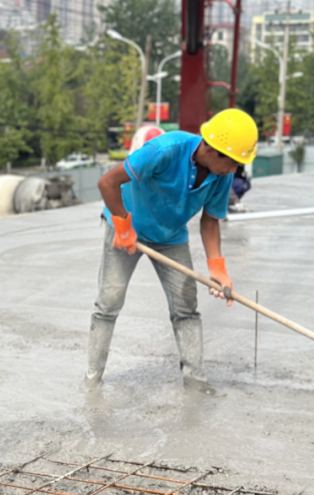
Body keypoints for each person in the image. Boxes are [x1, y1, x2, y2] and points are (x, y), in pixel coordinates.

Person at [87, 108, 258, 392]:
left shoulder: (221, 174)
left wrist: (218, 270)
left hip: (171, 236)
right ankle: (92, 381)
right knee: (108, 303)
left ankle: (196, 381)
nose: (234, 171)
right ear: (214, 151)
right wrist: (123, 225)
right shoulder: (165, 150)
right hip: (127, 226)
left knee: (186, 309)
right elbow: (107, 182)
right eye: (233, 163)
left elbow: (211, 221)